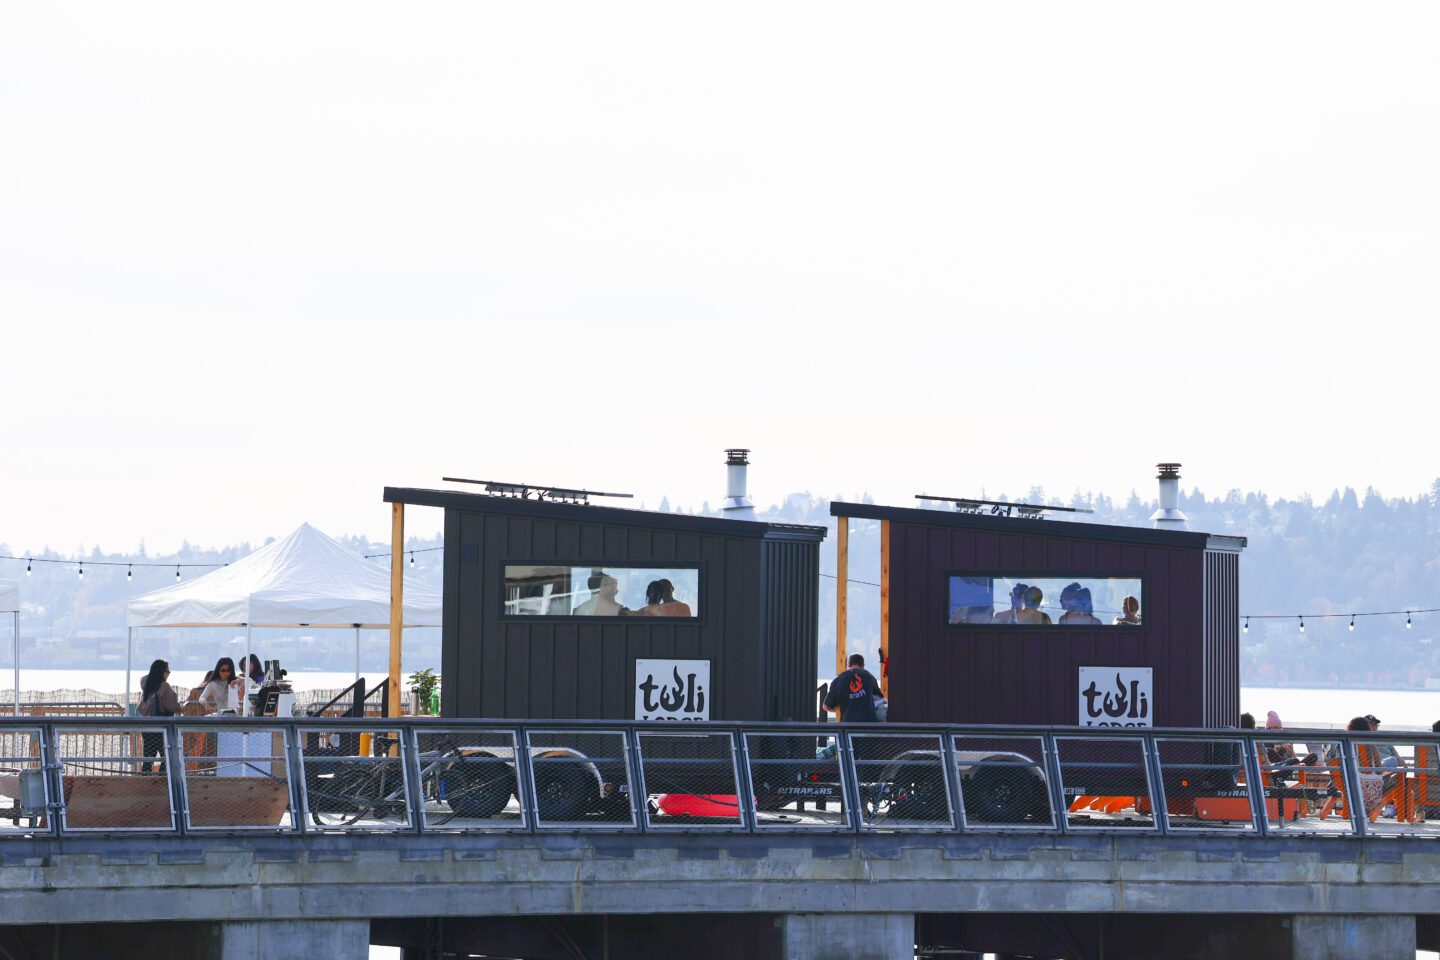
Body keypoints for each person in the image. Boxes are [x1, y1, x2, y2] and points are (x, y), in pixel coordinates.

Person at [137, 659, 179, 772]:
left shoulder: (148, 684)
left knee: (148, 756)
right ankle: (163, 780)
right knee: (167, 756)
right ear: (162, 672)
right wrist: (181, 707)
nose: (168, 674)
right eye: (167, 671)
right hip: (161, 728)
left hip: (147, 727)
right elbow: (172, 706)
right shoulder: (164, 686)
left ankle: (145, 782)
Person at [824, 653, 883, 723]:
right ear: (863, 666)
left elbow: (826, 706)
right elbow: (880, 698)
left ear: (848, 665)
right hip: (868, 726)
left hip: (848, 726)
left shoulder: (838, 680)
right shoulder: (870, 677)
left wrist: (843, 709)